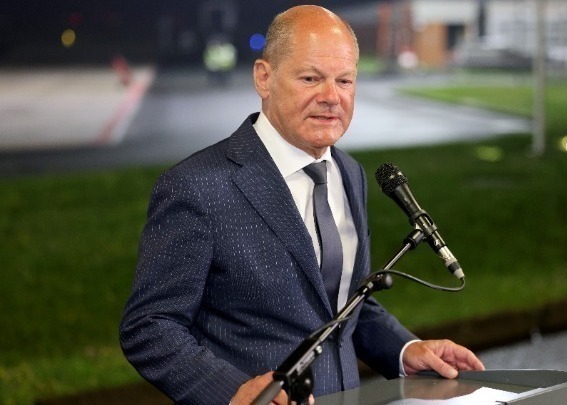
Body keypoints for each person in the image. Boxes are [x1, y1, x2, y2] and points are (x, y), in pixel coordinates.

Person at [119, 5, 484, 405]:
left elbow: (339, 305)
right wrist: (233, 392)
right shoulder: (198, 187)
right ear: (264, 78)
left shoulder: (349, 173)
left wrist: (403, 349)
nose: (331, 97)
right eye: (311, 78)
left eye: (344, 80)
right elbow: (149, 327)